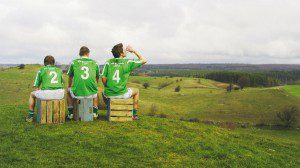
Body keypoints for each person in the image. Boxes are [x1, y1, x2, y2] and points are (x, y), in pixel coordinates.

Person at [101, 43, 147, 120]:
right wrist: (133, 51)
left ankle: (110, 106)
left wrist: (107, 86)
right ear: (121, 53)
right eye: (124, 50)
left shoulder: (108, 62)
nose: (126, 51)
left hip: (109, 94)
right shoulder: (128, 62)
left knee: (103, 93)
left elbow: (103, 77)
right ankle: (134, 115)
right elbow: (144, 60)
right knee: (136, 91)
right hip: (122, 94)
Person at [27, 55, 64, 122]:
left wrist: (39, 95)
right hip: (60, 94)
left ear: (44, 63)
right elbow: (62, 84)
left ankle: (30, 117)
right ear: (53, 63)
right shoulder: (59, 70)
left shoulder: (41, 70)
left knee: (32, 94)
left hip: (46, 94)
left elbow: (36, 86)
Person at [67, 46, 100, 120]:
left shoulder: (74, 62)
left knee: (68, 91)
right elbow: (97, 77)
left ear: (79, 54)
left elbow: (70, 76)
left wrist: (69, 86)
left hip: (77, 94)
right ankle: (94, 113)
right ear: (88, 53)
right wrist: (96, 85)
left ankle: (71, 113)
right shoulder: (95, 63)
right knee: (96, 93)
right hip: (91, 94)